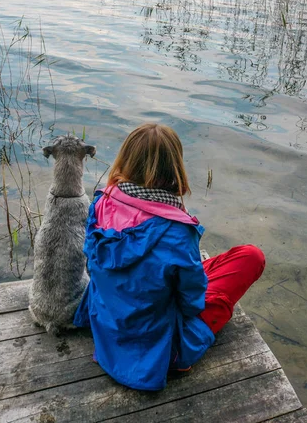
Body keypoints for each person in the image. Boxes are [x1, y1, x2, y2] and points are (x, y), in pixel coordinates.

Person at [74, 123, 265, 391]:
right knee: (251, 257)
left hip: (108, 329)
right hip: (156, 350)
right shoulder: (177, 231)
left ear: (126, 159)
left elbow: (95, 267)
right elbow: (191, 304)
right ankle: (180, 357)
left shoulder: (102, 202)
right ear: (175, 166)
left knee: (179, 270)